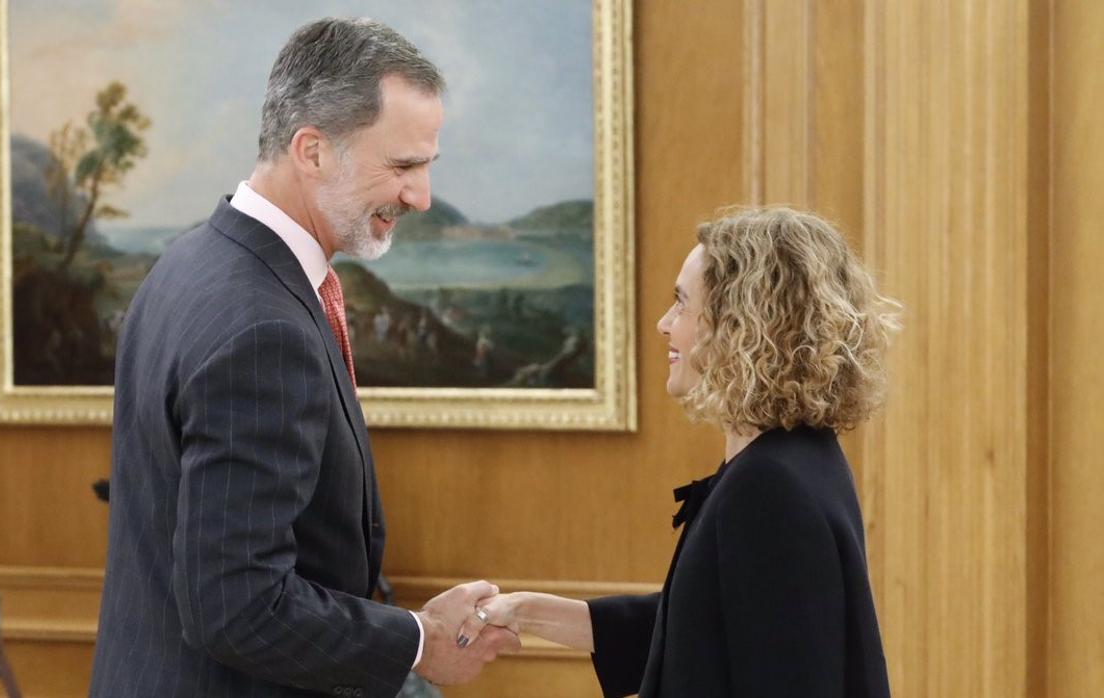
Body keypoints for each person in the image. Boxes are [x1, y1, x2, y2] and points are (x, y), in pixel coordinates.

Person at [89, 18, 517, 698]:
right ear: (312, 150)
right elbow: (237, 606)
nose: (421, 197)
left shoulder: (185, 262)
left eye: (426, 167)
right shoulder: (264, 329)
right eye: (403, 167)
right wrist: (419, 645)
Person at [462, 207, 899, 697]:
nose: (664, 324)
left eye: (682, 304)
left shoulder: (769, 486)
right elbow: (710, 622)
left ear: (740, 326)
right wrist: (529, 612)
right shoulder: (795, 458)